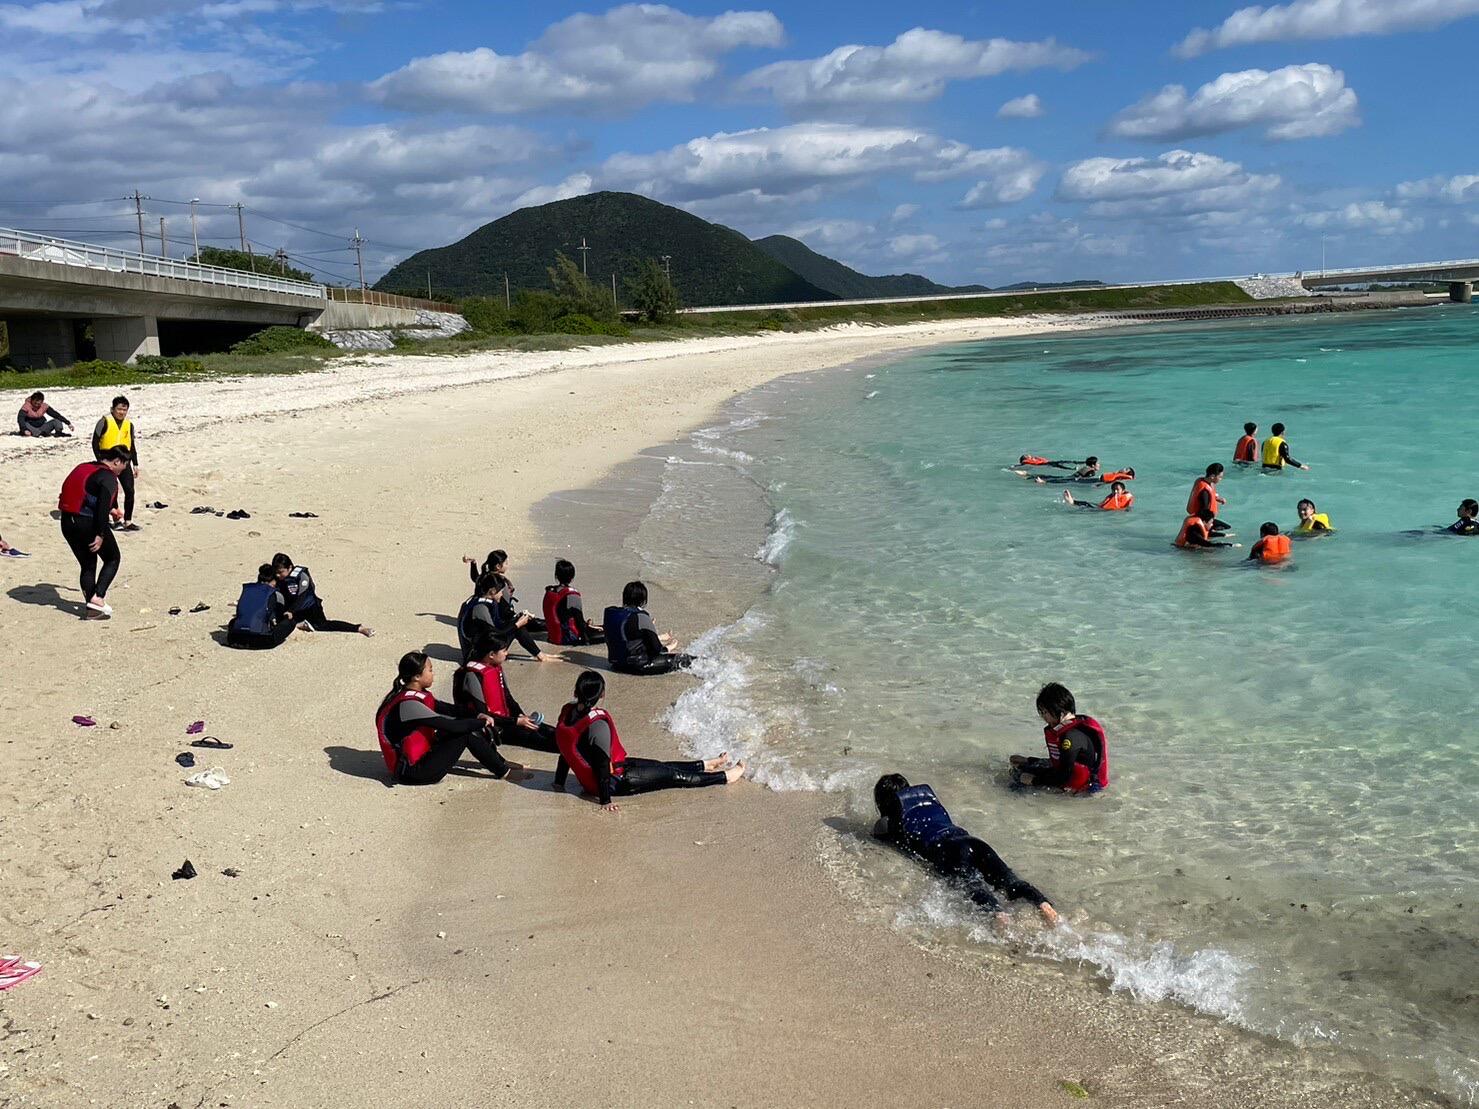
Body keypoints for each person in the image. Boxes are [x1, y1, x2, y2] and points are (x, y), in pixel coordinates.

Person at [873, 774, 1058, 924]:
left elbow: (877, 836)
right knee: (1010, 882)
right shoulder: (930, 805)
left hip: (948, 850)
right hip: (973, 842)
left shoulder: (889, 823)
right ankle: (1043, 904)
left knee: (972, 885)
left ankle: (999, 916)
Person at [551, 670, 742, 810]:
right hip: (616, 781)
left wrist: (559, 781)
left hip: (609, 773)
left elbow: (565, 749)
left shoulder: (568, 712)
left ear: (576, 692)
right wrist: (606, 801)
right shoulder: (597, 725)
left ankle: (706, 764)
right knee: (672, 777)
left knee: (661, 765)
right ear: (602, 695)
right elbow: (602, 765)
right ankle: (725, 777)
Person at [375, 651, 524, 785]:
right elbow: (451, 726)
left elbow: (450, 709)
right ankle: (503, 771)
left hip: (420, 758)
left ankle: (500, 763)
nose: (433, 674)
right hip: (413, 773)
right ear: (417, 677)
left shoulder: (414, 695)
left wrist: (477, 714)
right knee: (465, 733)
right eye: (430, 670)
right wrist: (481, 722)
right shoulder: (409, 705)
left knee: (466, 724)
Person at [452, 634, 560, 753]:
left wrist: (520, 715)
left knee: (551, 731)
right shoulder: (472, 675)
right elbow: (482, 714)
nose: (506, 653)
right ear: (491, 654)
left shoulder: (496, 668)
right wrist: (515, 721)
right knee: (545, 742)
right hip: (491, 726)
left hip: (506, 720)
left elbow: (508, 698)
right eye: (504, 651)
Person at [57, 448, 129, 617]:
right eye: (124, 465)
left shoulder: (84, 467)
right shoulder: (109, 477)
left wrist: (112, 509)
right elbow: (102, 509)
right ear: (117, 461)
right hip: (87, 523)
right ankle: (98, 597)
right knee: (112, 558)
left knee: (88, 565)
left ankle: (93, 610)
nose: (124, 469)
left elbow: (87, 493)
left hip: (67, 522)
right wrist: (101, 534)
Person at [1009, 683, 1109, 794]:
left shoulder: (1070, 737)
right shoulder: (1067, 729)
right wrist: (1029, 760)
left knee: (1016, 780)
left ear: (1059, 711)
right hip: (1065, 775)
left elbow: (1063, 776)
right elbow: (1061, 763)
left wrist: (1034, 780)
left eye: (1044, 712)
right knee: (1016, 764)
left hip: (1077, 788)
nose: (1043, 717)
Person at [272, 552, 374, 637]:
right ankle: (299, 624)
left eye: (280, 572)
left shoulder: (302, 576)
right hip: (291, 609)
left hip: (309, 607)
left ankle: (359, 628)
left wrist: (291, 611)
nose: (278, 575)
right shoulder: (278, 579)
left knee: (323, 626)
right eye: (276, 572)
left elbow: (302, 596)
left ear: (290, 567)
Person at [604, 581, 693, 675]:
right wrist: (668, 648)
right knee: (688, 659)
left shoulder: (610, 612)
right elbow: (657, 649)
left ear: (624, 596)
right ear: (643, 600)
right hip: (638, 666)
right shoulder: (641, 616)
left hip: (616, 665)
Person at [457, 571, 548, 663]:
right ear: (492, 591)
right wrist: (516, 624)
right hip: (474, 655)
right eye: (501, 591)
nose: (502, 594)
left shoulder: (482, 600)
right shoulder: (480, 608)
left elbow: (498, 624)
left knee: (516, 623)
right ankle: (541, 656)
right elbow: (494, 635)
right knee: (518, 627)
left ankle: (539, 655)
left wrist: (517, 619)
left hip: (480, 644)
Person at [462, 549, 546, 635]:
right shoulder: (499, 583)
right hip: (499, 620)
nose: (507, 565)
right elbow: (504, 608)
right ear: (498, 566)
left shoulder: (485, 578)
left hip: (489, 617)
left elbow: (475, 578)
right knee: (534, 623)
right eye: (506, 563)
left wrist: (473, 564)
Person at [91, 396, 140, 530]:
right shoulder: (104, 421)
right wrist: (100, 460)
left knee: (129, 490)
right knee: (110, 491)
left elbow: (132, 445)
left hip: (124, 461)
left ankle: (128, 521)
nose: (121, 412)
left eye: (124, 410)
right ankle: (115, 519)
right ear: (112, 409)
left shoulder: (129, 425)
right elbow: (95, 442)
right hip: (108, 461)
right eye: (119, 409)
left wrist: (135, 464)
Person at [225, 564, 300, 649]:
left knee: (234, 621)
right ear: (273, 581)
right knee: (290, 621)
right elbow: (279, 616)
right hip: (261, 640)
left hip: (235, 638)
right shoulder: (274, 593)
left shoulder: (248, 589)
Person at [543, 559, 604, 645]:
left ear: (556, 575)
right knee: (610, 632)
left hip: (552, 637)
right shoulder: (571, 595)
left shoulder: (550, 592)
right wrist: (587, 638)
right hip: (568, 638)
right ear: (572, 577)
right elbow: (580, 622)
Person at [1186, 464, 1231, 534]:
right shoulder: (1205, 491)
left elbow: (1211, 494)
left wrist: (1218, 499)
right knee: (1226, 529)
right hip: (1204, 520)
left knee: (1226, 527)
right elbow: (1204, 509)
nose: (1221, 479)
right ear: (1212, 476)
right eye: (1220, 477)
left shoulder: (1202, 481)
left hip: (1206, 519)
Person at [1063, 481, 1133, 511]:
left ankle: (1072, 501)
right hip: (1100, 509)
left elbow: (1129, 506)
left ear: (1123, 491)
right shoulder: (1111, 497)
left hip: (1101, 510)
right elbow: (1102, 504)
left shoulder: (1127, 497)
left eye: (1117, 490)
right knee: (1087, 504)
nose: (1115, 491)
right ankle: (1072, 502)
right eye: (1113, 490)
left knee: (1087, 505)